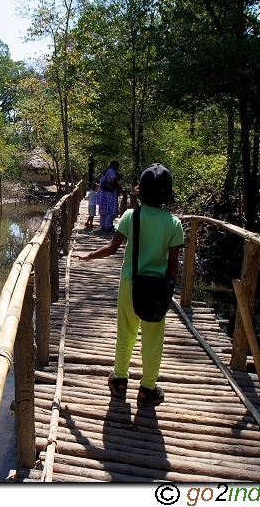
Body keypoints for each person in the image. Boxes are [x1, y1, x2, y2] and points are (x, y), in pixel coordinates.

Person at [74, 163, 184, 406]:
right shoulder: (174, 223)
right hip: (157, 288)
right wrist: (170, 289)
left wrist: (89, 255)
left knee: (126, 333)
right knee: (153, 338)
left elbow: (112, 248)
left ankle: (120, 381)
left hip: (129, 285)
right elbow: (174, 266)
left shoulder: (130, 216)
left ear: (140, 191)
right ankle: (147, 389)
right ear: (167, 193)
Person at [96, 160, 121, 232]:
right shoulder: (112, 171)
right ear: (113, 165)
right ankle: (108, 226)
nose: (117, 167)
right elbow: (113, 180)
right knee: (109, 209)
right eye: (116, 166)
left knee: (104, 209)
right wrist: (118, 187)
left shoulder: (107, 171)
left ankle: (103, 225)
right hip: (109, 194)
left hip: (103, 193)